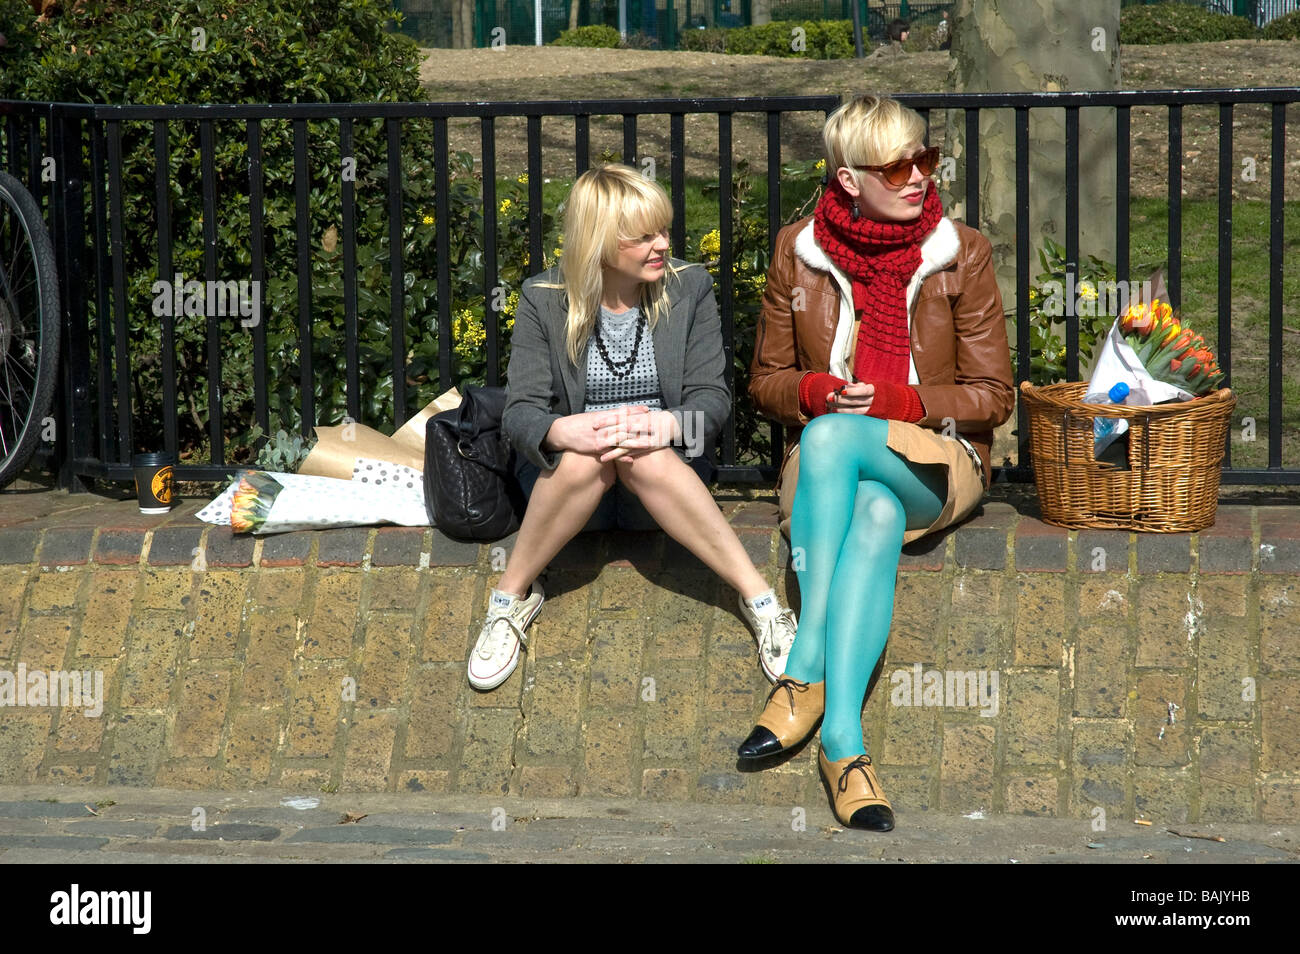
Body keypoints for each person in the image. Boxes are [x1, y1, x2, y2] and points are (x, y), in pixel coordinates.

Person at [740, 94, 1014, 831]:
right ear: (850, 179)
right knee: (873, 511)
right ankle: (844, 747)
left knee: (834, 440)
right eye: (897, 167)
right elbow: (765, 384)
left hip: (934, 456)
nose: (920, 176)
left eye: (923, 159)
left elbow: (994, 396)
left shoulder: (961, 251)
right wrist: (816, 389)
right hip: (837, 477)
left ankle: (804, 670)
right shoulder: (798, 249)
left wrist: (898, 400)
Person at [468, 164, 798, 692]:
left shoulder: (689, 288)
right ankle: (508, 601)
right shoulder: (543, 297)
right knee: (586, 456)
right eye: (644, 236)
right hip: (572, 491)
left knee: (642, 452)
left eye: (664, 231)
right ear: (598, 240)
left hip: (663, 485)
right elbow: (521, 413)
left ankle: (762, 603)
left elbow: (712, 402)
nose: (662, 244)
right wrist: (565, 432)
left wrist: (666, 425)